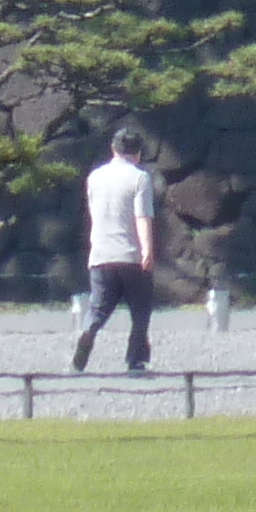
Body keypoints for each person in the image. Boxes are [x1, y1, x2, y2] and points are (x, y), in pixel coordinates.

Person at [72, 126, 163, 373]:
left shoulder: (95, 177)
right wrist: (147, 250)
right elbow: (142, 216)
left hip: (101, 253)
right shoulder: (139, 177)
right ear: (138, 153)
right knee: (140, 311)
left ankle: (87, 334)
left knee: (98, 307)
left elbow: (94, 213)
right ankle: (136, 361)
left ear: (113, 149)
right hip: (130, 254)